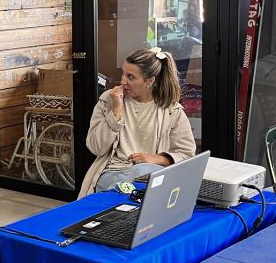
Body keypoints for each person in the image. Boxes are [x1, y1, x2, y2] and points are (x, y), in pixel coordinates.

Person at [79, 46, 196, 196]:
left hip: (150, 174)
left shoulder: (171, 110)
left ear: (150, 81)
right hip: (112, 174)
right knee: (129, 183)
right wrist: (115, 112)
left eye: (131, 77)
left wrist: (157, 159)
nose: (123, 81)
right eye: (123, 74)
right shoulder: (109, 100)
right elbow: (95, 147)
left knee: (142, 172)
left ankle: (123, 195)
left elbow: (187, 155)